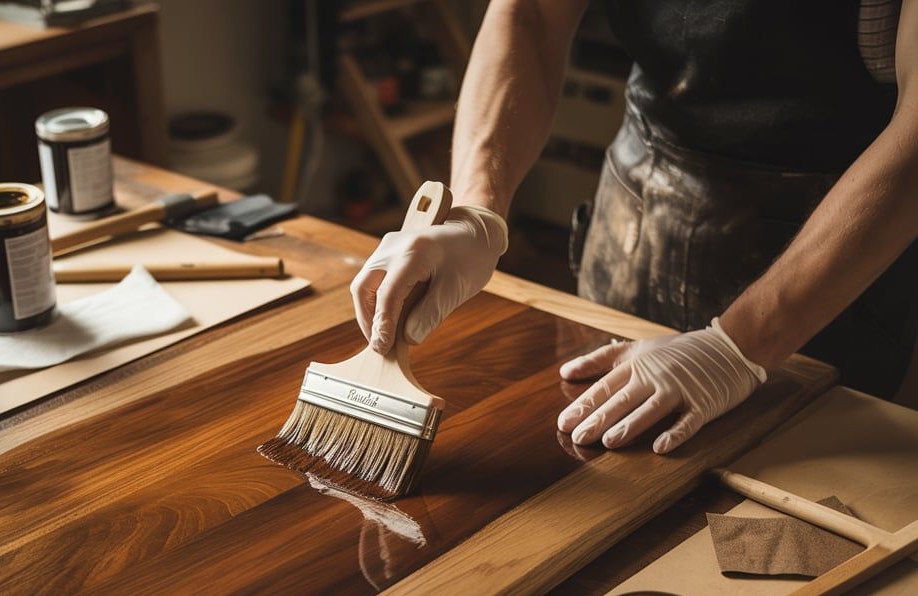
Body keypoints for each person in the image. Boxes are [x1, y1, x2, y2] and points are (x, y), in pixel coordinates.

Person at [349, 0, 918, 454]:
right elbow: (529, 15)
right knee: (593, 456)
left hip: (835, 245)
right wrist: (478, 210)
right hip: (638, 209)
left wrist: (737, 347)